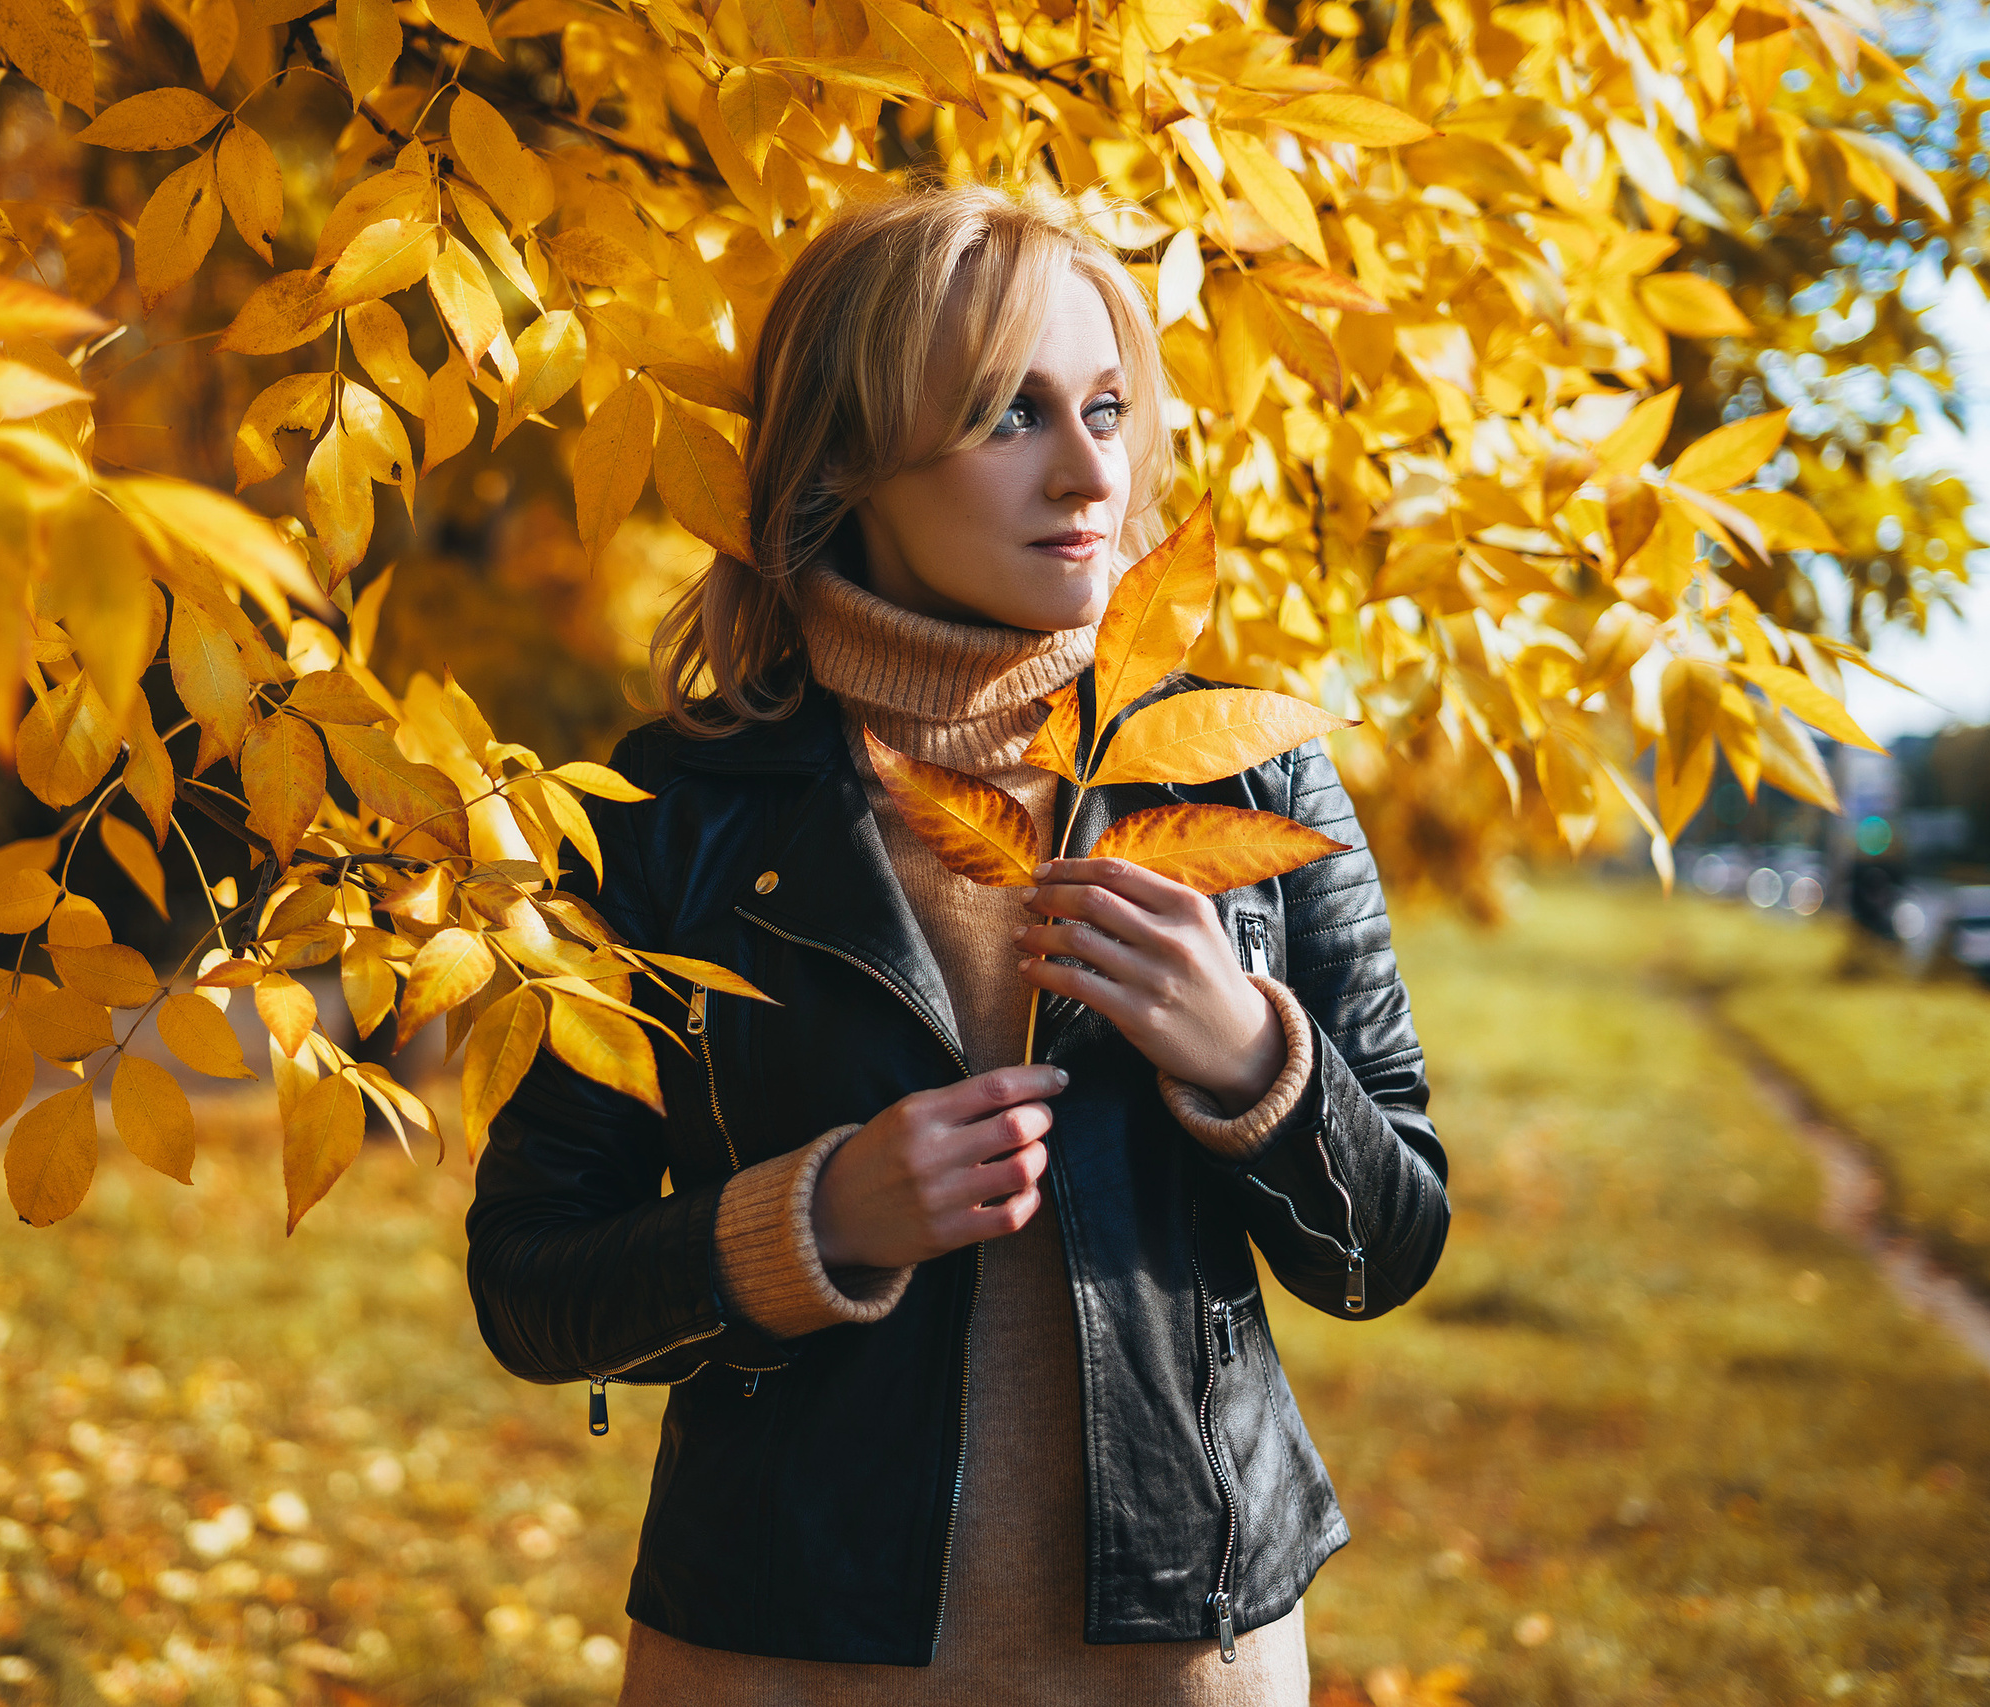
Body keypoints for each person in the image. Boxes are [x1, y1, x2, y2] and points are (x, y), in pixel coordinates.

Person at [465, 182, 1449, 1705]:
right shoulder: (663, 815)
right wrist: (814, 1222)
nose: (1088, 473)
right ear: (849, 459)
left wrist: (1251, 1060)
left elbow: (1388, 1247)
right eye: (1011, 416)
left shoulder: (1244, 773)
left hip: (1186, 1652)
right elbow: (534, 1284)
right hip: (780, 1649)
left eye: (1108, 408)